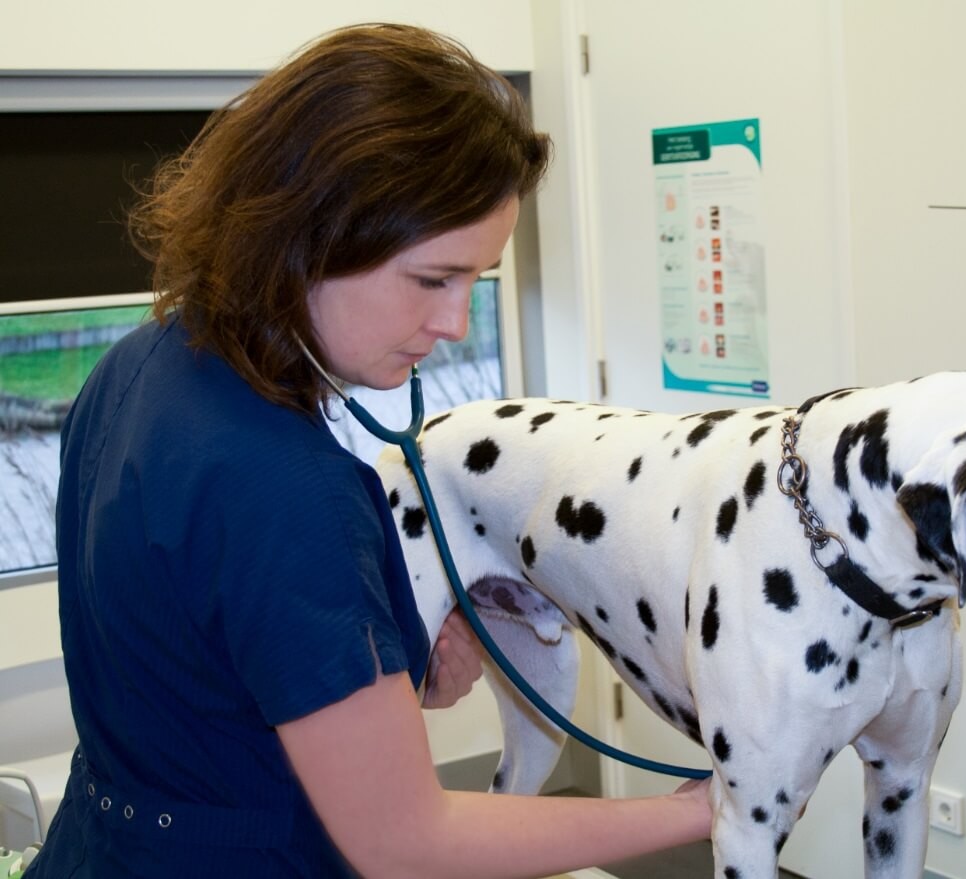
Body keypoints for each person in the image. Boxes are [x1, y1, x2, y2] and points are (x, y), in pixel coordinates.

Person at [28, 23, 712, 878]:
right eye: (434, 279)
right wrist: (700, 808)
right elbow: (405, 842)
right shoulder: (285, 487)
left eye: (478, 280)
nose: (455, 323)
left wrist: (402, 675)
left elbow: (212, 667)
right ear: (311, 228)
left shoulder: (141, 365)